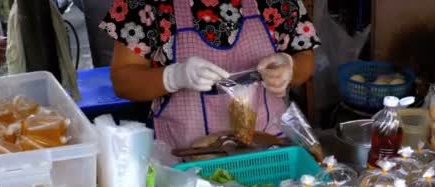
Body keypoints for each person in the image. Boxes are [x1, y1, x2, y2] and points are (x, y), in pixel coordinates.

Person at [101, 0, 320, 149]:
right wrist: (173, 76)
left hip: (268, 150)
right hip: (186, 158)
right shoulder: (148, 4)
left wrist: (289, 68)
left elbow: (304, 58)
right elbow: (123, 80)